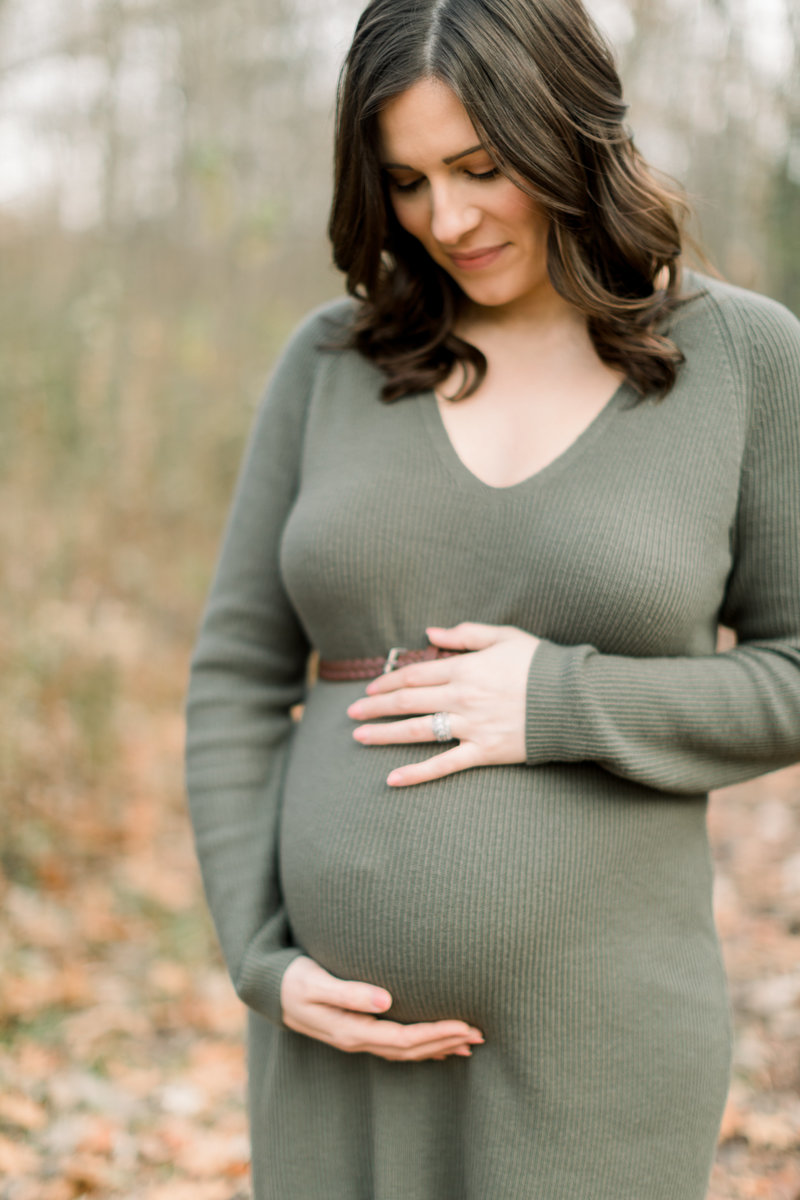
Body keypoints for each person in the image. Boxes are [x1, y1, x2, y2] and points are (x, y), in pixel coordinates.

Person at [184, 0, 800, 1195]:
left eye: (480, 167)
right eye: (406, 181)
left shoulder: (740, 358)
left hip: (600, 1056)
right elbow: (233, 677)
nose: (447, 218)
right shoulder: (333, 361)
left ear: (567, 129)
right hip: (334, 1047)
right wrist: (263, 957)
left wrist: (558, 700)